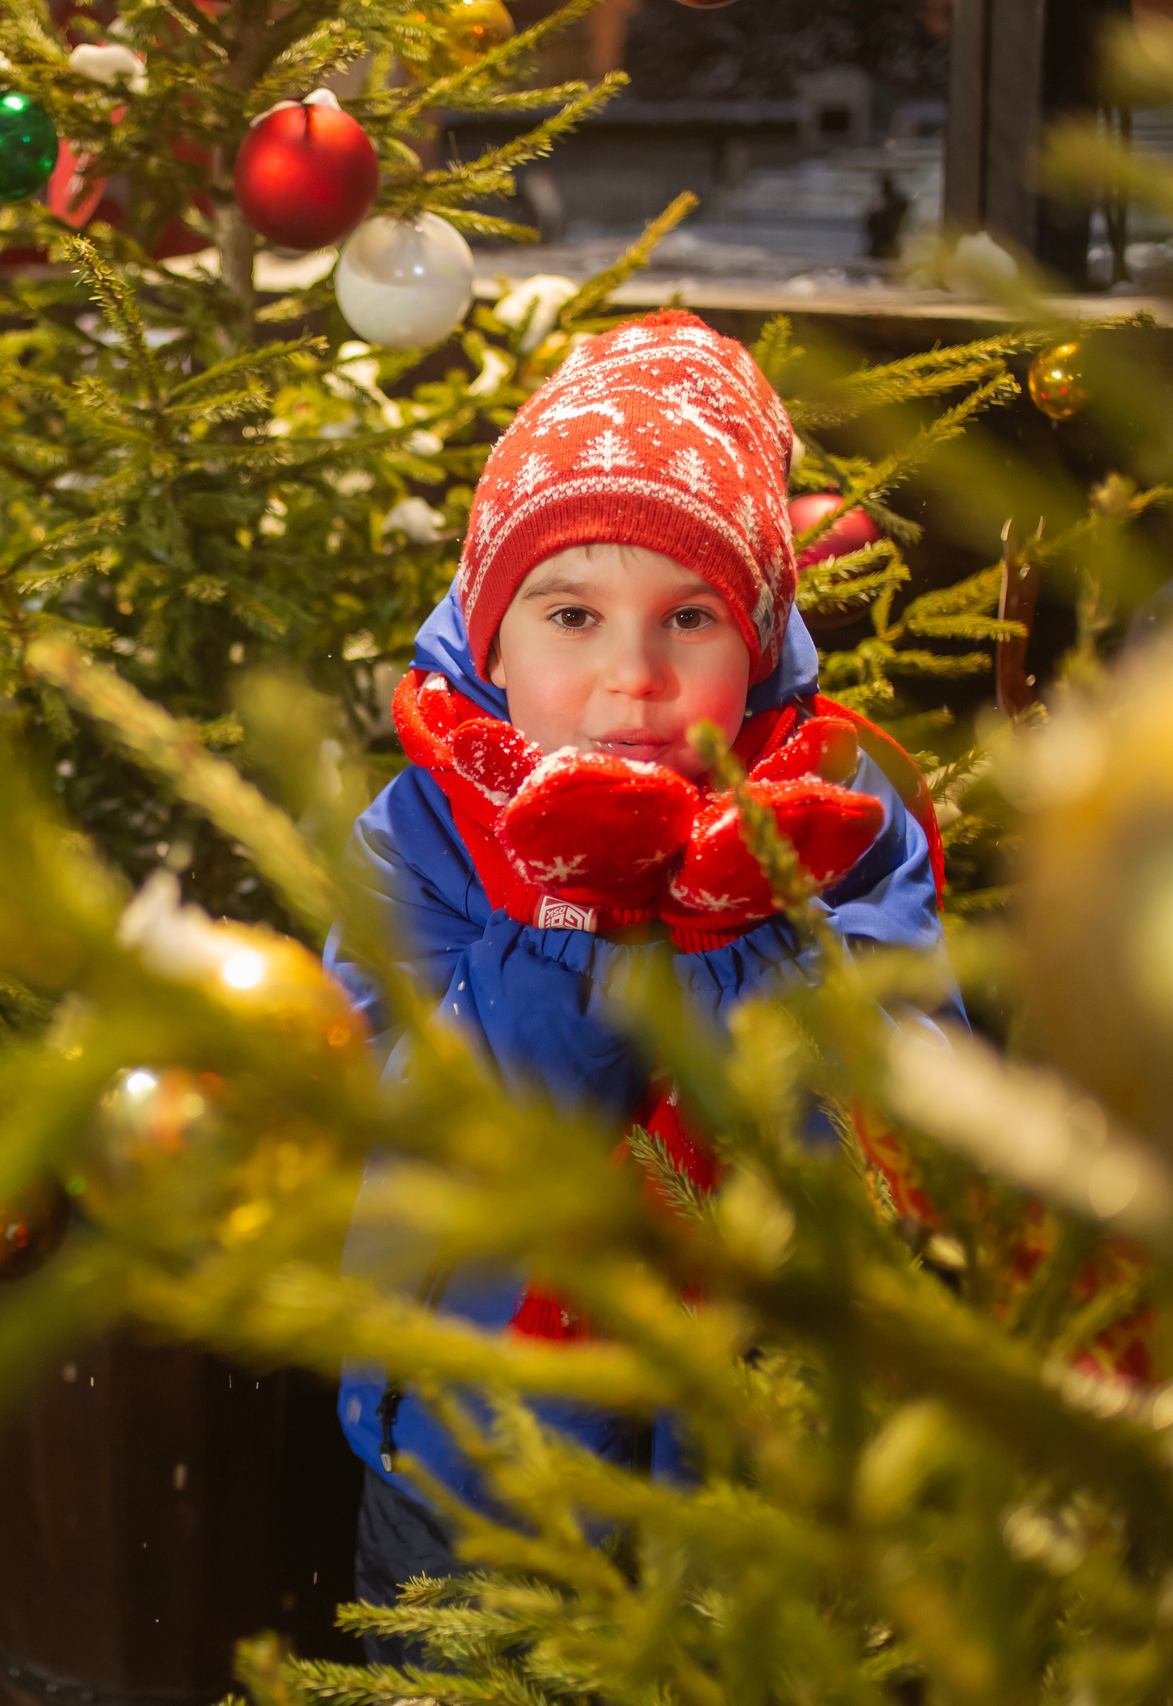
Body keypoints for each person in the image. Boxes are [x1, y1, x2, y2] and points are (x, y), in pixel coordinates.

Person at [327, 308, 953, 1659]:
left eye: (691, 618)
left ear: (763, 634)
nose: (634, 678)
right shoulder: (425, 834)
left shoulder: (844, 816)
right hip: (474, 1468)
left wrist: (747, 925)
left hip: (767, 1477)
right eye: (571, 614)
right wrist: (574, 920)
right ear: (491, 646)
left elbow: (902, 1142)